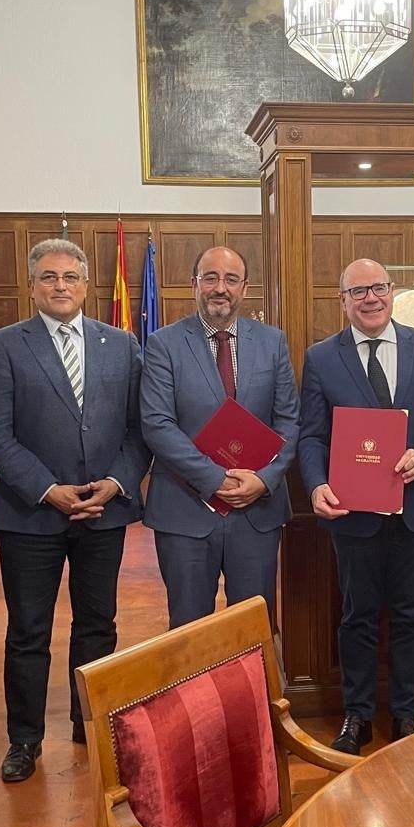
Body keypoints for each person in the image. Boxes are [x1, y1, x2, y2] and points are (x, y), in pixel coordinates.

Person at [0, 239, 149, 783]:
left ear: (87, 283)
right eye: (49, 277)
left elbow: (137, 429)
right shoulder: (2, 346)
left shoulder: (120, 344)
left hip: (103, 511)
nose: (61, 285)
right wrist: (48, 489)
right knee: (28, 630)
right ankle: (24, 739)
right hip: (32, 514)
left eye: (71, 276)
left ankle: (88, 722)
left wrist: (116, 483)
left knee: (98, 624)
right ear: (32, 285)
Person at [299, 259, 414, 753]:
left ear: (392, 292)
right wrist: (314, 486)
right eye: (358, 291)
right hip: (353, 513)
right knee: (357, 617)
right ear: (342, 300)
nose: (370, 298)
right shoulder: (322, 357)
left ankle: (406, 717)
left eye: (379, 288)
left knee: (413, 616)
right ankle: (357, 715)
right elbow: (312, 435)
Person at [141, 245, 299, 628]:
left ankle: (247, 694)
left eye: (231, 279)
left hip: (256, 513)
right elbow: (157, 424)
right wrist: (215, 479)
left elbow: (290, 421)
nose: (220, 288)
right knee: (189, 631)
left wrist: (263, 480)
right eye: (210, 277)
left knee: (252, 629)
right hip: (186, 511)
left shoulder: (272, 342)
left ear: (245, 287)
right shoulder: (164, 344)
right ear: (194, 284)